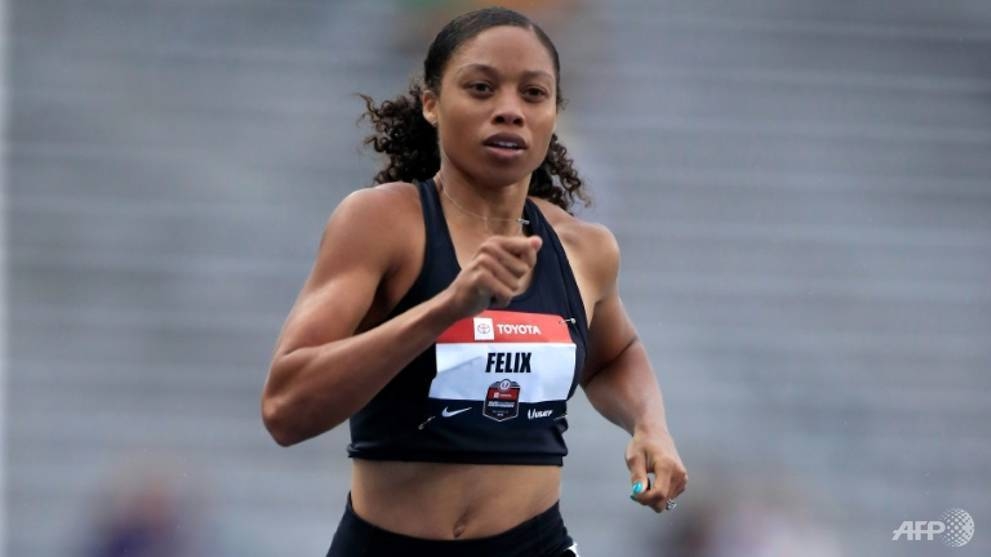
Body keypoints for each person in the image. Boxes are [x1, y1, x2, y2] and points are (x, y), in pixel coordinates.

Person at [261, 7, 687, 556]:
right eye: (482, 88)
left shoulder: (585, 247)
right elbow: (285, 410)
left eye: (533, 94)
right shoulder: (380, 224)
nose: (509, 111)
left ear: (555, 111)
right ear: (431, 103)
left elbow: (615, 353)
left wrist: (650, 425)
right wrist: (447, 308)